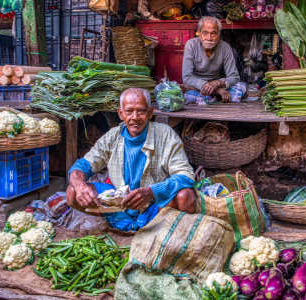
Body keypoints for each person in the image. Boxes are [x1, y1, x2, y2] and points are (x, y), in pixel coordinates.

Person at [66, 88, 196, 231]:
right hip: (119, 205)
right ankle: (120, 224)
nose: (134, 117)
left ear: (150, 113)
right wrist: (80, 186)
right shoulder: (113, 136)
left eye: (141, 111)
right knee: (72, 191)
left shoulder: (165, 134)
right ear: (120, 114)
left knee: (186, 196)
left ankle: (157, 230)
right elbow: (82, 166)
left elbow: (186, 176)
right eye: (129, 111)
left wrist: (151, 192)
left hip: (154, 205)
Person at [182, 16, 247, 104]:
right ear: (199, 33)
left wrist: (217, 83)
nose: (209, 38)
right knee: (188, 96)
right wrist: (215, 89)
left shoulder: (225, 47)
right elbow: (187, 77)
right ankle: (215, 97)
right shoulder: (191, 45)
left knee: (241, 87)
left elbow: (234, 77)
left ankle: (211, 99)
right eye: (205, 33)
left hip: (218, 84)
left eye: (213, 33)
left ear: (219, 34)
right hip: (197, 86)